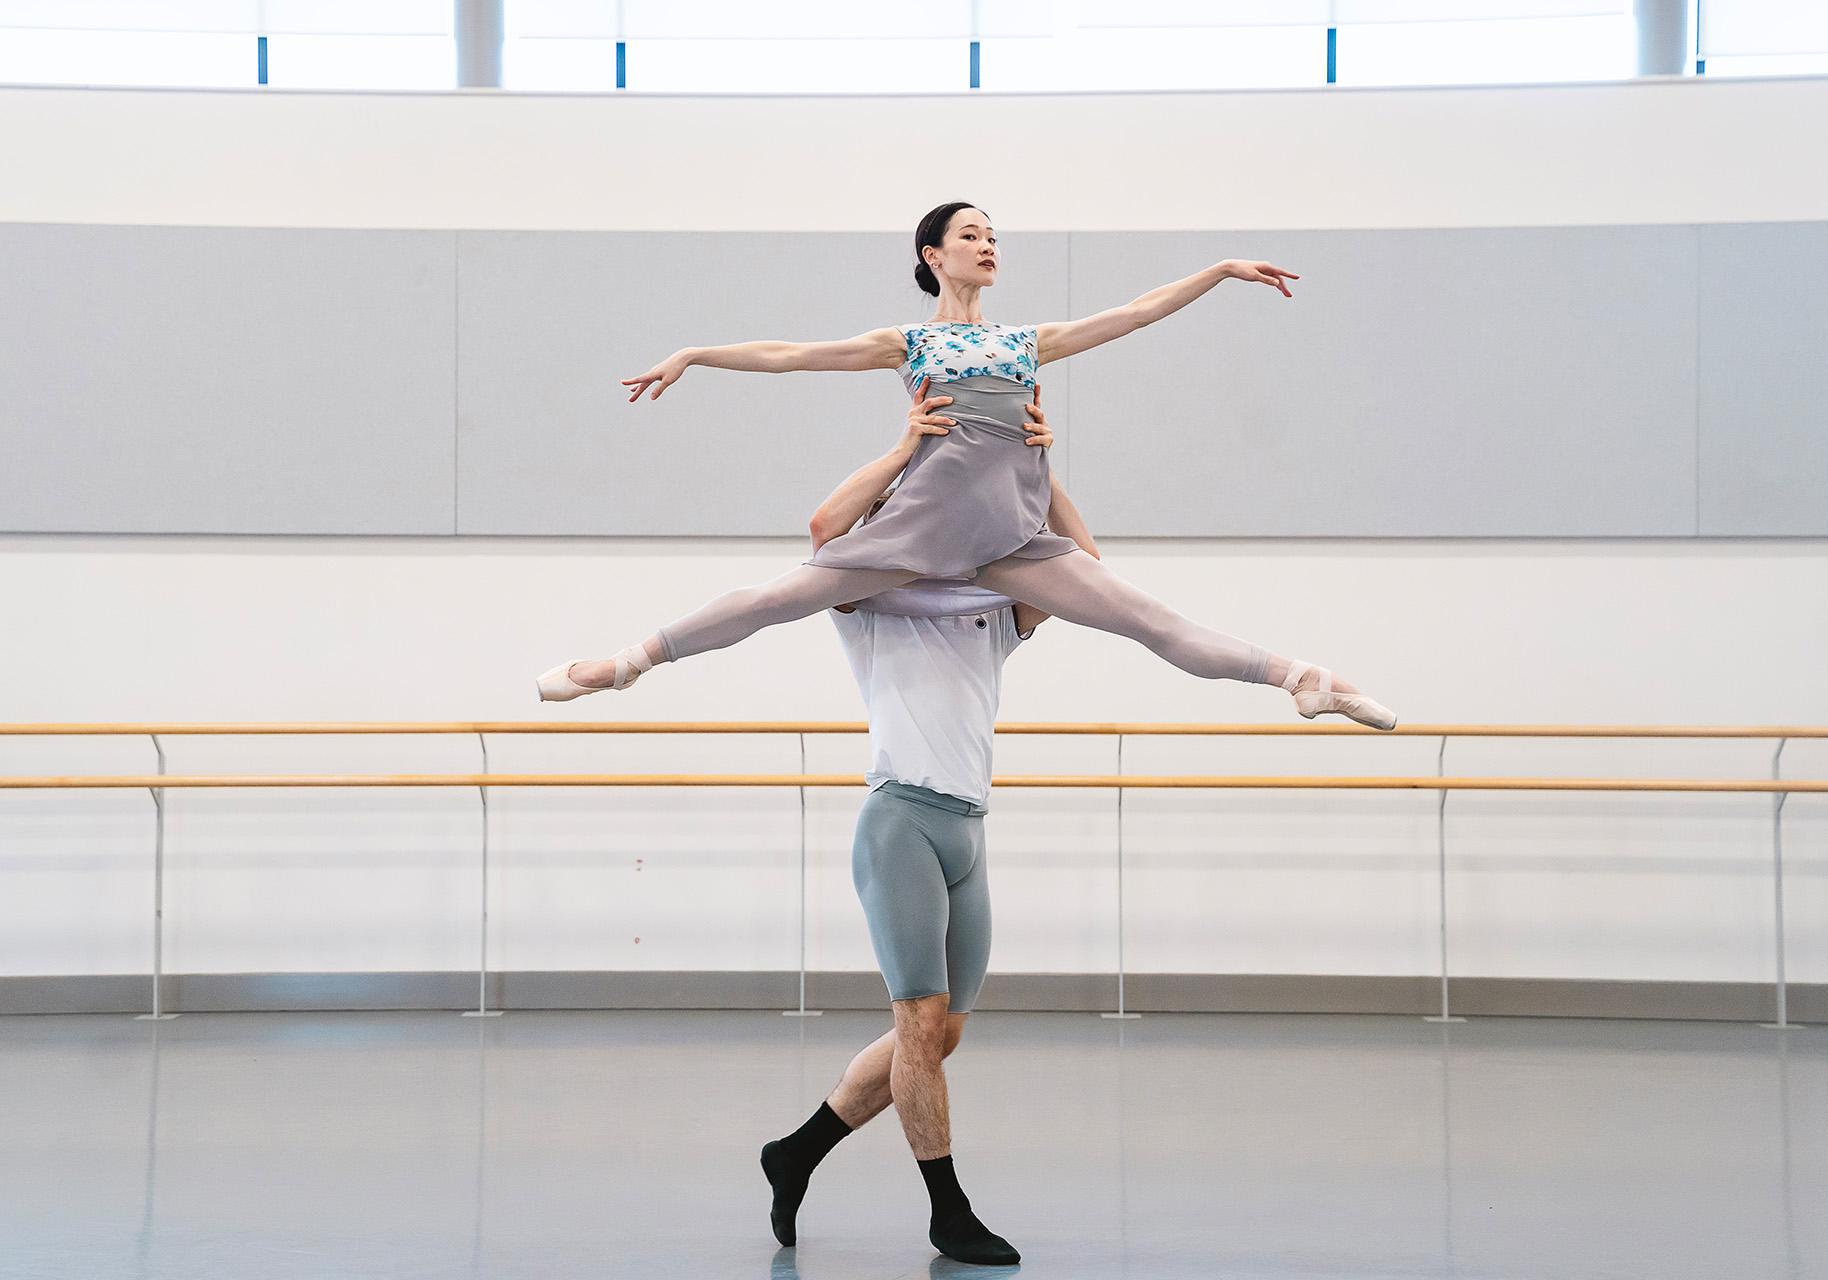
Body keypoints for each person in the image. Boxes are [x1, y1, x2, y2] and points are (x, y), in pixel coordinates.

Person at [534, 201, 1396, 731]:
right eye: (970, 235)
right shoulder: (909, 342)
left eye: (993, 236)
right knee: (771, 600)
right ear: (933, 256)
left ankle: (1305, 680)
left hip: (1009, 537)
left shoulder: (1026, 342)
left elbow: (1133, 313)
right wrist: (695, 353)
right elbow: (791, 354)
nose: (988, 246)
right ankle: (623, 665)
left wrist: (1217, 270)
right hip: (918, 531)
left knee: (1152, 621)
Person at [759, 395, 1091, 1268]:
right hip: (901, 821)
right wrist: (907, 444)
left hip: (967, 833)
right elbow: (824, 527)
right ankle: (949, 1210)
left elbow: (1086, 569)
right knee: (919, 1023)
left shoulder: (993, 607)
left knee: (942, 1035)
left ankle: (795, 1153)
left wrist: (1039, 469)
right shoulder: (867, 602)